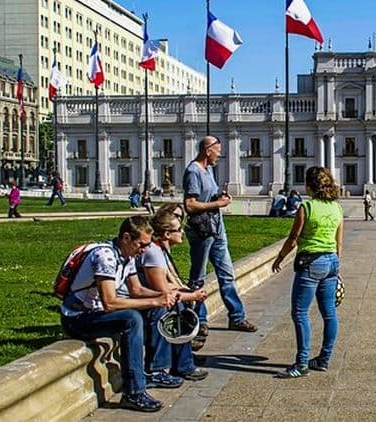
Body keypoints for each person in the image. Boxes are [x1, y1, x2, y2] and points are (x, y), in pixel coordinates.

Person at [59, 216, 178, 412]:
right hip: (78, 318)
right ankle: (133, 392)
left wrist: (165, 294)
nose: (145, 250)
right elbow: (110, 303)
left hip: (95, 313)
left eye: (148, 245)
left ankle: (156, 369)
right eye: (141, 244)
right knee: (131, 320)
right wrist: (156, 300)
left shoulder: (128, 256)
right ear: (126, 238)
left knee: (156, 309)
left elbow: (137, 290)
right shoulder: (105, 257)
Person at [272, 166, 343, 378]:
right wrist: (337, 266)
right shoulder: (336, 208)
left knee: (300, 312)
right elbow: (339, 242)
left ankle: (302, 363)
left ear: (309, 185)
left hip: (311, 262)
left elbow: (293, 238)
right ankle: (323, 358)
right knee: (329, 313)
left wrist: (280, 258)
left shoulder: (307, 207)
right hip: (332, 260)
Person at [183, 136, 256, 334]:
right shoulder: (193, 171)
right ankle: (199, 318)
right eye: (217, 150)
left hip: (217, 228)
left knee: (227, 274)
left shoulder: (209, 170)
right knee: (198, 277)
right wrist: (217, 204)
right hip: (202, 230)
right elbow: (189, 205)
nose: (219, 154)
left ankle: (237, 317)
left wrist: (220, 198)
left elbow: (209, 196)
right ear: (208, 150)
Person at [138, 208, 209, 384]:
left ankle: (183, 361)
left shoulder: (160, 250)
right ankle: (170, 367)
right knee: (175, 308)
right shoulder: (154, 252)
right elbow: (163, 293)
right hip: (142, 301)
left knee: (183, 302)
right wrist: (192, 295)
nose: (183, 232)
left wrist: (188, 292)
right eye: (179, 229)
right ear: (167, 234)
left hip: (146, 298)